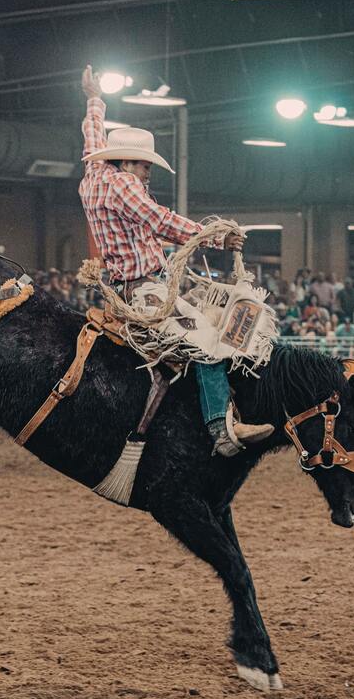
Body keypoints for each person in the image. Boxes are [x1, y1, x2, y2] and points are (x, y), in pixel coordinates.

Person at [79, 65, 271, 456]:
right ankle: (220, 430)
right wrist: (217, 235)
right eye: (145, 164)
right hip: (145, 290)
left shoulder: (94, 173)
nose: (148, 171)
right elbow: (159, 220)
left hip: (126, 288)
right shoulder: (125, 185)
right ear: (129, 162)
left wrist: (94, 99)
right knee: (209, 343)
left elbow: (91, 136)